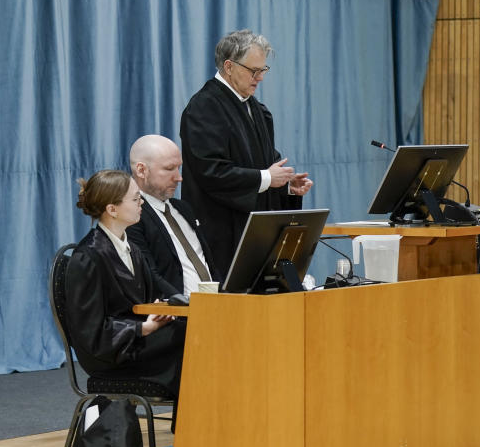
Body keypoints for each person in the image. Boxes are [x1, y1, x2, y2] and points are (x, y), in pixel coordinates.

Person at [180, 29, 314, 274]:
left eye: (263, 70)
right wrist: (266, 178)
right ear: (229, 66)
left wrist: (284, 185)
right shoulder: (204, 107)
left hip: (252, 232)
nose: (260, 78)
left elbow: (266, 162)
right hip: (222, 233)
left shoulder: (254, 107)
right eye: (254, 71)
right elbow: (211, 171)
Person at [64, 169, 186, 399]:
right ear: (112, 209)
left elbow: (144, 302)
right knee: (191, 339)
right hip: (112, 353)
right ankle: (195, 427)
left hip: (136, 341)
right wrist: (143, 328)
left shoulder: (132, 249)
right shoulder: (87, 257)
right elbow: (91, 332)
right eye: (135, 199)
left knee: (197, 332)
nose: (141, 203)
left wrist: (158, 312)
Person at [126, 135, 219, 296]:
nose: (179, 177)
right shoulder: (133, 216)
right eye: (169, 169)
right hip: (176, 313)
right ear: (141, 170)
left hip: (216, 307)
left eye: (179, 168)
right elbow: (149, 275)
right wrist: (182, 304)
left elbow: (208, 263)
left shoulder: (183, 208)